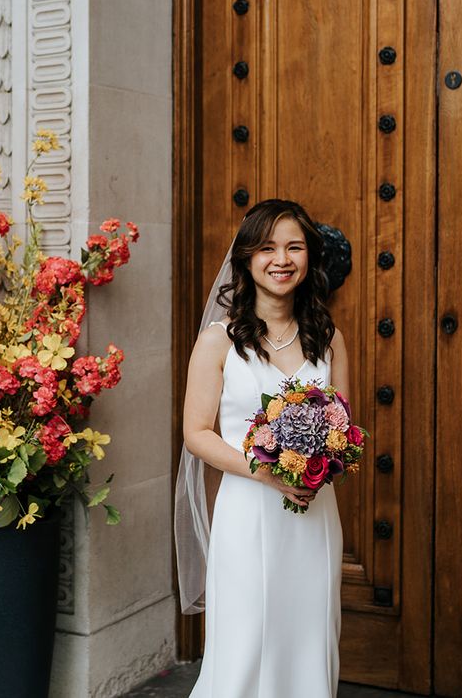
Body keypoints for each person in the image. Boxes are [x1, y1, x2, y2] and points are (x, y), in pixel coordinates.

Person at [175, 199, 349, 697]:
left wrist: (319, 464)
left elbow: (342, 425)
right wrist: (267, 471)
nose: (282, 259)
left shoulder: (329, 338)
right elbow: (197, 433)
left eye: (294, 247)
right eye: (268, 247)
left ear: (310, 259)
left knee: (310, 636)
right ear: (248, 259)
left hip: (313, 514)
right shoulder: (219, 340)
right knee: (247, 640)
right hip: (248, 512)